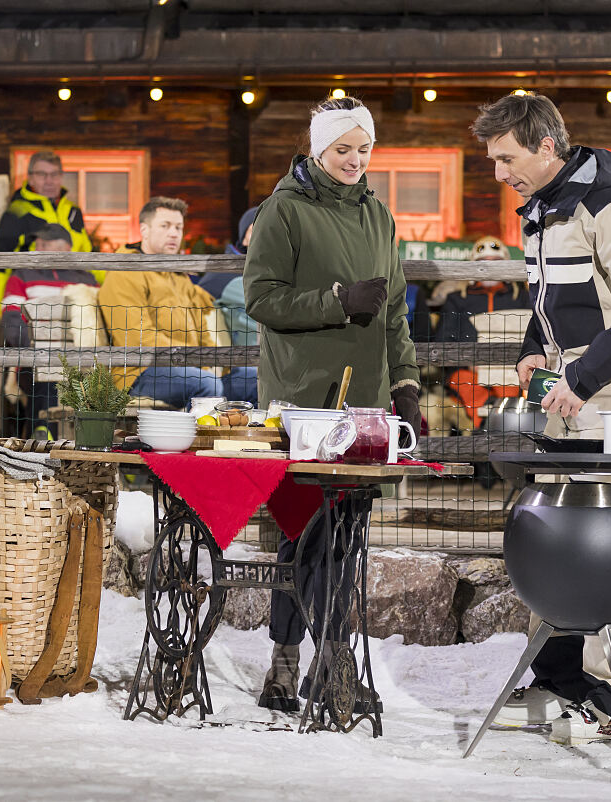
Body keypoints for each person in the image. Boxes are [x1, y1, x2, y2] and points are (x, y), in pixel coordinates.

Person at [471, 91, 611, 746]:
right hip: (571, 400)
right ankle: (559, 684)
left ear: (546, 147)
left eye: (506, 159)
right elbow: (552, 298)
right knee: (558, 538)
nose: (499, 173)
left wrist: (583, 379)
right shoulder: (543, 208)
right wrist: (535, 349)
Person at [243, 94, 421, 713]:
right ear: (317, 149)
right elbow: (262, 298)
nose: (354, 159)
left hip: (364, 403)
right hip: (303, 401)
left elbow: (396, 310)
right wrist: (337, 301)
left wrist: (406, 384)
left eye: (363, 148)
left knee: (345, 538)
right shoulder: (283, 211)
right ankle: (291, 663)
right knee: (301, 533)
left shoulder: (379, 215)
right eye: (342, 149)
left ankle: (325, 660)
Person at [99, 196, 253, 408]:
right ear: (144, 230)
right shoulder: (127, 270)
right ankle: (201, 441)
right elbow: (137, 338)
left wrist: (217, 362)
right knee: (206, 385)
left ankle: (248, 440)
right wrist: (195, 359)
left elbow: (203, 333)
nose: (174, 233)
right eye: (165, 226)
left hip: (189, 367)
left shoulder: (179, 276)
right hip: (140, 371)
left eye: (178, 227)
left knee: (251, 379)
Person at [0, 224, 99, 438]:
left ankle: (89, 441)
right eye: (38, 242)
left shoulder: (88, 280)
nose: (38, 247)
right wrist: (38, 347)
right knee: (49, 372)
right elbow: (11, 319)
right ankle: (44, 437)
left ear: (66, 248)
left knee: (89, 378)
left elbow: (101, 321)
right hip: (36, 359)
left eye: (46, 243)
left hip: (82, 359)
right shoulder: (22, 276)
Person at [435, 235, 531, 428]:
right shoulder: (457, 300)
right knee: (464, 381)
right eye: (483, 262)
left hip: (509, 370)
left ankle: (503, 429)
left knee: (510, 387)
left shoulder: (523, 298)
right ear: (473, 265)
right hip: (469, 371)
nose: (490, 267)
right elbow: (443, 341)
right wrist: (469, 361)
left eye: (496, 262)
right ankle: (488, 427)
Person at [0, 150, 94, 305]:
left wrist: (110, 286)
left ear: (61, 176)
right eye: (42, 175)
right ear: (30, 178)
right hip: (33, 298)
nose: (49, 181)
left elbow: (89, 257)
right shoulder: (17, 212)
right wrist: (2, 311)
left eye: (54, 174)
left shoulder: (73, 212)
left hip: (76, 297)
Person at [198, 207, 263, 359]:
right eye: (259, 228)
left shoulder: (268, 270)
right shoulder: (224, 274)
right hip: (238, 362)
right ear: (245, 238)